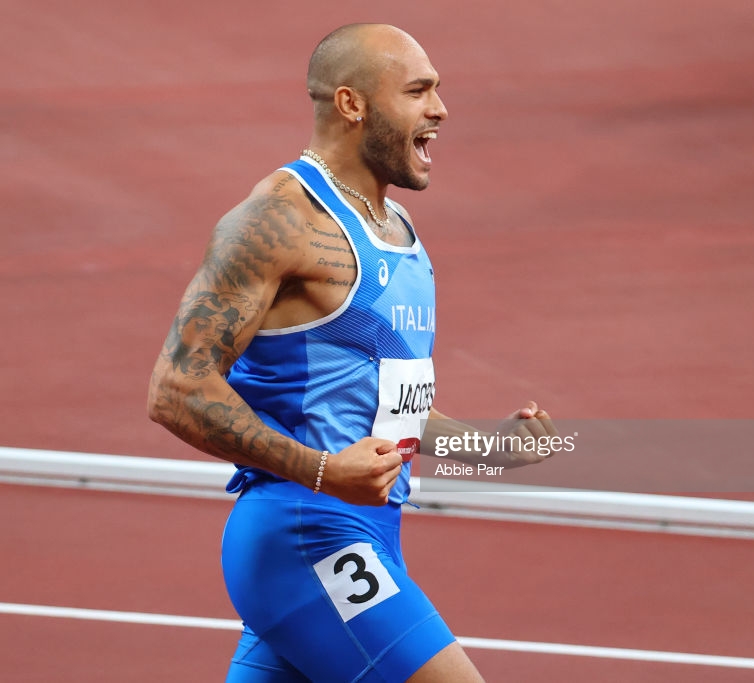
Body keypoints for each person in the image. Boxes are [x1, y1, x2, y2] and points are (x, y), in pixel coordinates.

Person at [147, 23, 559, 683]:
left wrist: (490, 447)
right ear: (351, 104)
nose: (440, 109)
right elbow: (177, 388)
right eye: (418, 91)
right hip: (307, 534)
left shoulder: (397, 232)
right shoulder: (278, 221)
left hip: (363, 535)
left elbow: (381, 412)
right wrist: (320, 471)